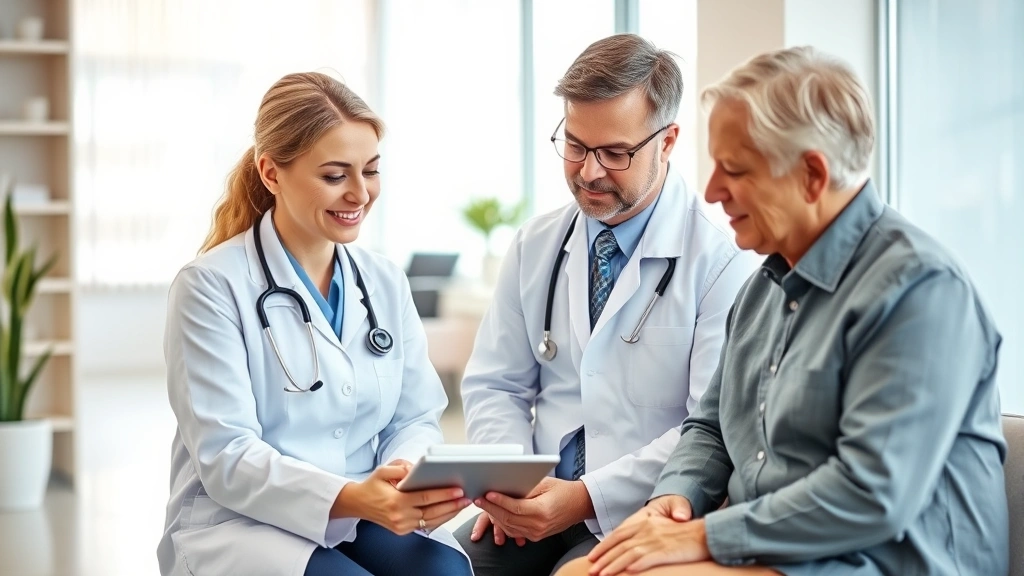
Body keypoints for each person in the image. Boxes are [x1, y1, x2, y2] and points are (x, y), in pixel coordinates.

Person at [562, 46, 1010, 576]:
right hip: (781, 551)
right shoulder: (762, 290)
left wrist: (705, 536)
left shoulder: (920, 291)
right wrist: (674, 501)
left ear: (812, 176)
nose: (712, 191)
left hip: (884, 559)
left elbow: (871, 494)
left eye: (735, 170)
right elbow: (710, 429)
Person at [454, 34, 761, 576]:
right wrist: (509, 480)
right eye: (575, 145)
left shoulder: (720, 261)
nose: (589, 171)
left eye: (615, 153)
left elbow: (706, 427)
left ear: (667, 141)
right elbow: (496, 383)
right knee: (436, 568)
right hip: (528, 500)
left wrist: (582, 498)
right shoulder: (536, 244)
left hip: (637, 509)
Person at [156, 72, 474, 576]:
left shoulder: (384, 281)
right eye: (334, 175)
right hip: (242, 523)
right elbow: (227, 456)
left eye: (370, 171)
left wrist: (405, 476)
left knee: (444, 572)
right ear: (270, 173)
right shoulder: (210, 286)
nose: (359, 194)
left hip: (363, 507)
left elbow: (414, 418)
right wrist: (352, 496)